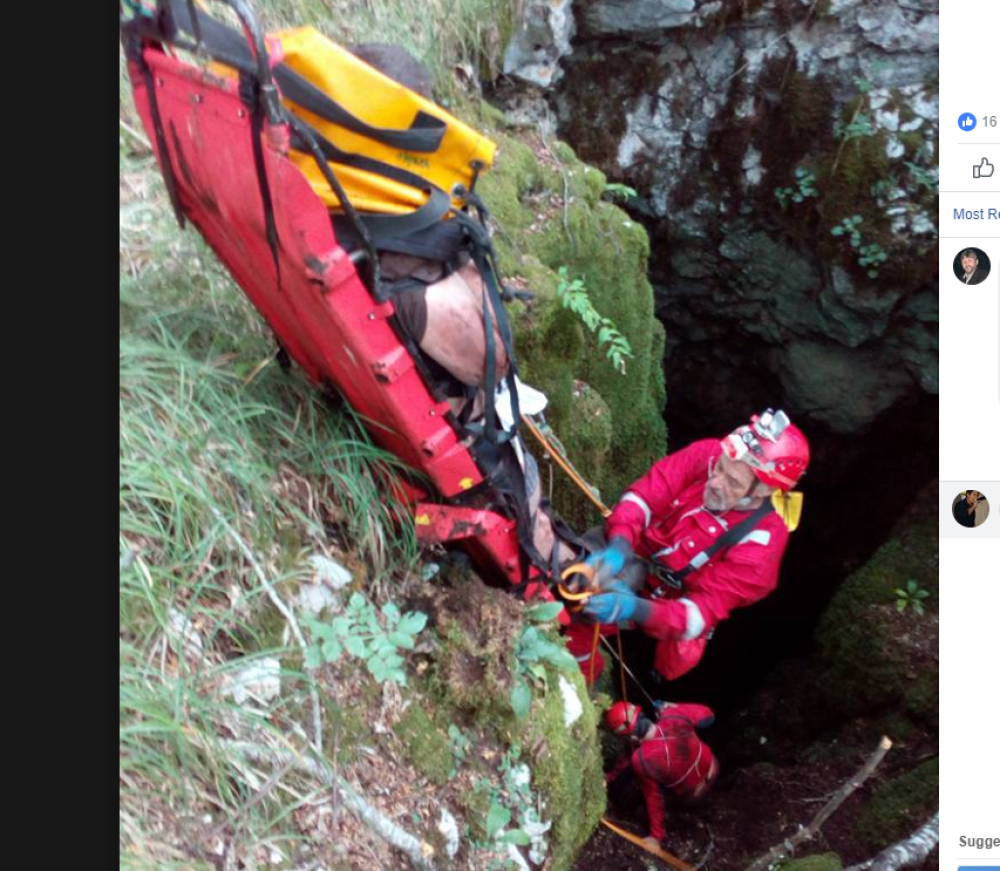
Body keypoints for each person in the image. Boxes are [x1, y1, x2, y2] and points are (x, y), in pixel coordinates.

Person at [577, 409, 809, 680]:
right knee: (577, 586)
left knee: (595, 617)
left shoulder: (761, 547)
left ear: (763, 491)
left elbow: (700, 611)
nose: (716, 482)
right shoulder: (708, 454)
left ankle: (585, 679)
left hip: (671, 596)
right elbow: (646, 495)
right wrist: (619, 543)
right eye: (720, 467)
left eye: (733, 482)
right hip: (635, 551)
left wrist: (633, 608)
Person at [604, 700, 719, 850]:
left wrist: (656, 836)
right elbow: (709, 716)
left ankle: (613, 789)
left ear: (630, 737)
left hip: (694, 796)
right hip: (714, 768)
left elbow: (653, 797)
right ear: (643, 714)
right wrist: (675, 707)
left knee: (643, 774)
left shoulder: (642, 759)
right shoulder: (674, 716)